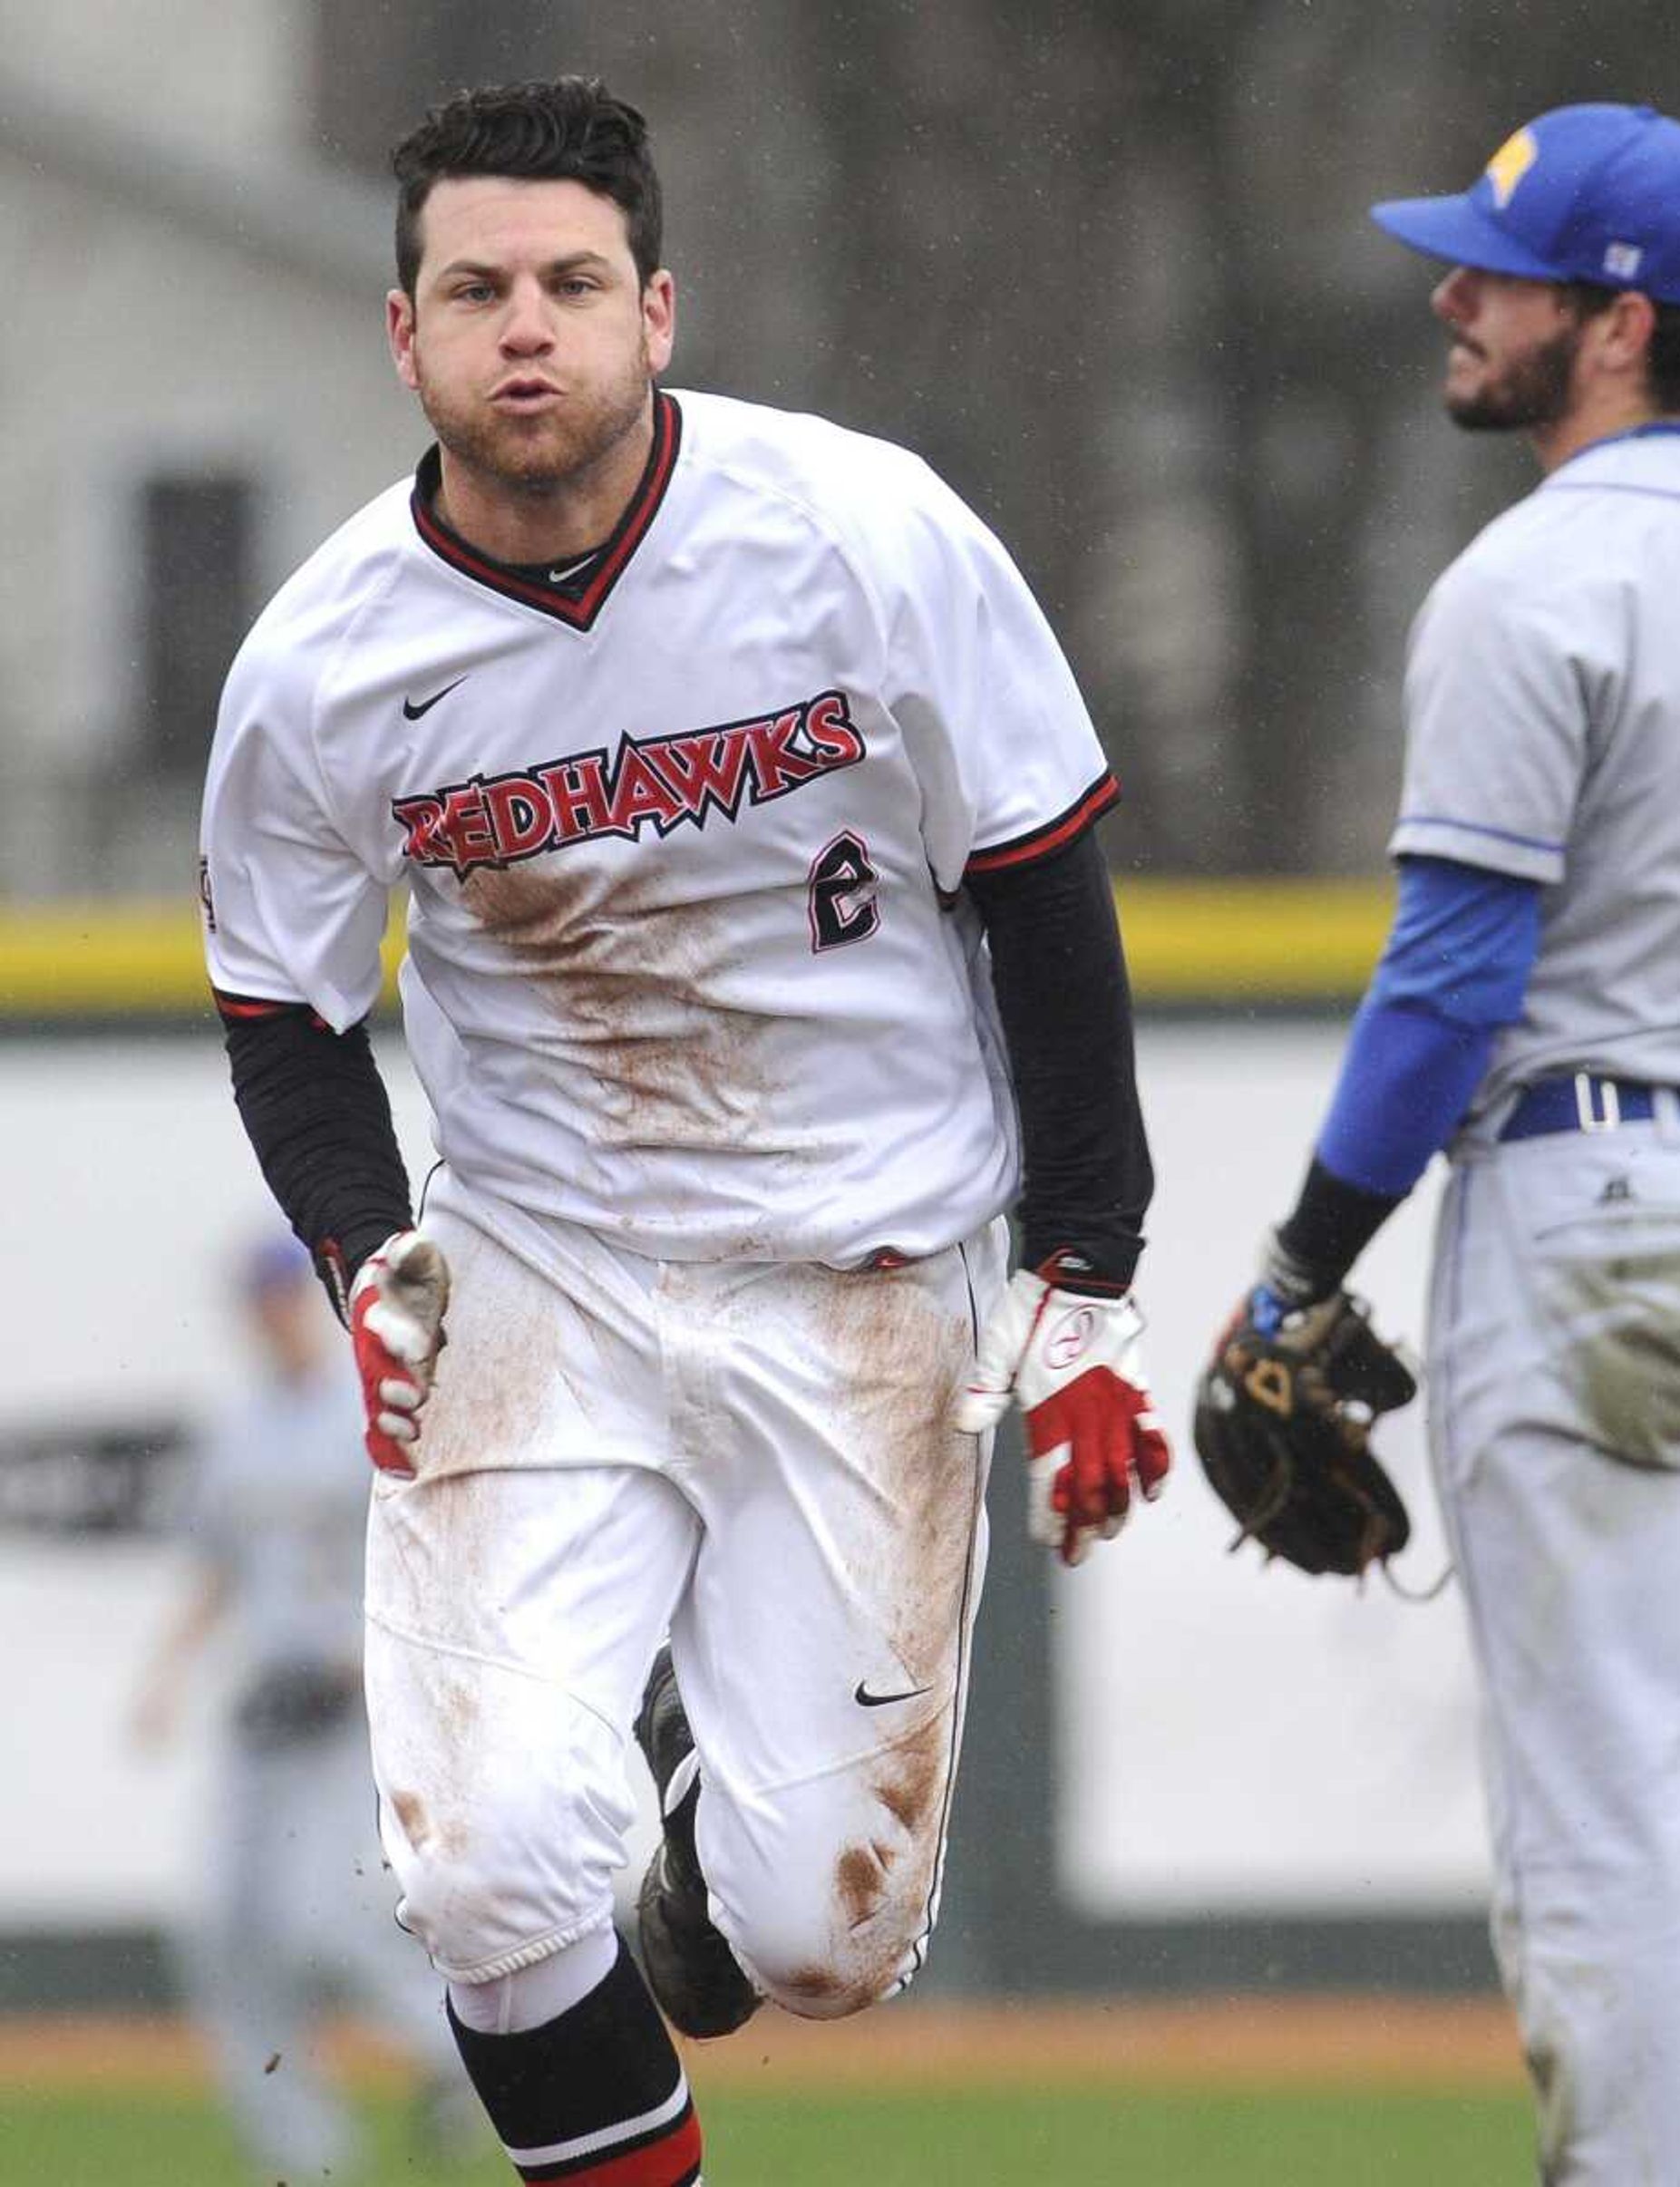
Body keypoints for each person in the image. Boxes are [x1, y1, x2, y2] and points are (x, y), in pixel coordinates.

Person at [198, 74, 1167, 2187]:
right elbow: (282, 1009)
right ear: (403, 335)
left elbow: (1039, 875)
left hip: (865, 1261)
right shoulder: (328, 657)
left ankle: (696, 1827)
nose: (522, 328)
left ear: (658, 306)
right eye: (473, 289)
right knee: (473, 1872)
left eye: (567, 282)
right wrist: (372, 1247)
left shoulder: (858, 528)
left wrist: (1088, 1265)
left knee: (825, 1934)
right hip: (544, 1261)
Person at [1201, 103, 1680, 2183]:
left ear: (1613, 321)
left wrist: (1301, 1265)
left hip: (1591, 1206)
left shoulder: (1534, 577)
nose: (1444, 294)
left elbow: (1450, 982)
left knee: (1591, 1833)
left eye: (1490, 271)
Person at [131, 1236, 475, 2182]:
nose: (271, 1314)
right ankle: (300, 2154)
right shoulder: (239, 1430)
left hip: (346, 1706)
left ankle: (461, 2057)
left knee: (318, 1920)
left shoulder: (357, 1415)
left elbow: (424, 1549)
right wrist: (165, 1676)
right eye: (258, 1300)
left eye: (283, 1296)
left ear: (306, 1304)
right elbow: (217, 1567)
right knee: (225, 1937)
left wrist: (377, 1659)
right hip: (262, 1712)